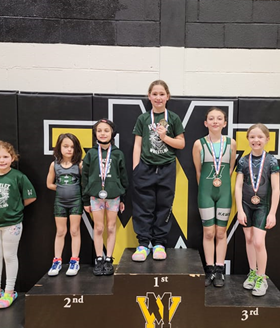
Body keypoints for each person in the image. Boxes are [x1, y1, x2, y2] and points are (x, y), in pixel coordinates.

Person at [131, 79, 185, 261]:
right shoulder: (143, 118)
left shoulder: (174, 118)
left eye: (162, 94)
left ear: (168, 97)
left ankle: (159, 243)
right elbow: (137, 144)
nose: (158, 97)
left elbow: (181, 143)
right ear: (149, 96)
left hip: (166, 168)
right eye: (154, 94)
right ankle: (143, 244)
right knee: (143, 207)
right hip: (145, 168)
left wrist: (164, 137)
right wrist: (136, 167)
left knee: (163, 207)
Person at [0, 140, 37, 308]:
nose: (2, 160)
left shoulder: (18, 177)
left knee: (9, 256)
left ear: (13, 158)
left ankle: (9, 292)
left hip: (12, 224)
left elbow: (31, 197)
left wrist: (15, 208)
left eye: (6, 156)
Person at [234, 124, 280, 297]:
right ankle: (252, 272)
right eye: (252, 137)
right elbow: (238, 186)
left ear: (267, 139)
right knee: (249, 239)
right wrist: (239, 209)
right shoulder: (243, 160)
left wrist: (272, 213)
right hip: (246, 204)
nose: (256, 140)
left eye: (260, 137)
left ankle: (262, 277)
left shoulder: (271, 161)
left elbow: (276, 189)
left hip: (262, 206)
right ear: (248, 139)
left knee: (259, 242)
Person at [192, 107, 236, 287]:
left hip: (224, 191)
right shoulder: (199, 144)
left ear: (225, 123)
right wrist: (206, 187)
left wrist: (220, 182)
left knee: (220, 232)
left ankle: (219, 269)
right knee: (209, 232)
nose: (215, 121)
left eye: (219, 118)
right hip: (205, 192)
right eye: (211, 118)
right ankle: (209, 268)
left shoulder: (231, 143)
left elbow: (231, 168)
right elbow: (198, 171)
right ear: (206, 123)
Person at [82, 119, 128, 276]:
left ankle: (109, 259)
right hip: (95, 196)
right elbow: (85, 177)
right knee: (99, 227)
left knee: (111, 227)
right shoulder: (91, 153)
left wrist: (123, 198)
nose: (102, 133)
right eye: (99, 130)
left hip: (114, 196)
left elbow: (123, 177)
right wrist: (85, 199)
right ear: (95, 133)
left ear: (112, 133)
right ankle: (99, 259)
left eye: (106, 130)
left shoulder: (117, 154)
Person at [45, 133, 83, 277]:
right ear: (59, 147)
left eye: (72, 147)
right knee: (60, 232)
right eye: (65, 146)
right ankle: (57, 260)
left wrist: (73, 188)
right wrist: (61, 187)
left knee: (75, 231)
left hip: (76, 202)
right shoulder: (54, 165)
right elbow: (49, 184)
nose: (69, 149)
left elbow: (84, 183)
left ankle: (74, 260)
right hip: (60, 202)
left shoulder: (79, 164)